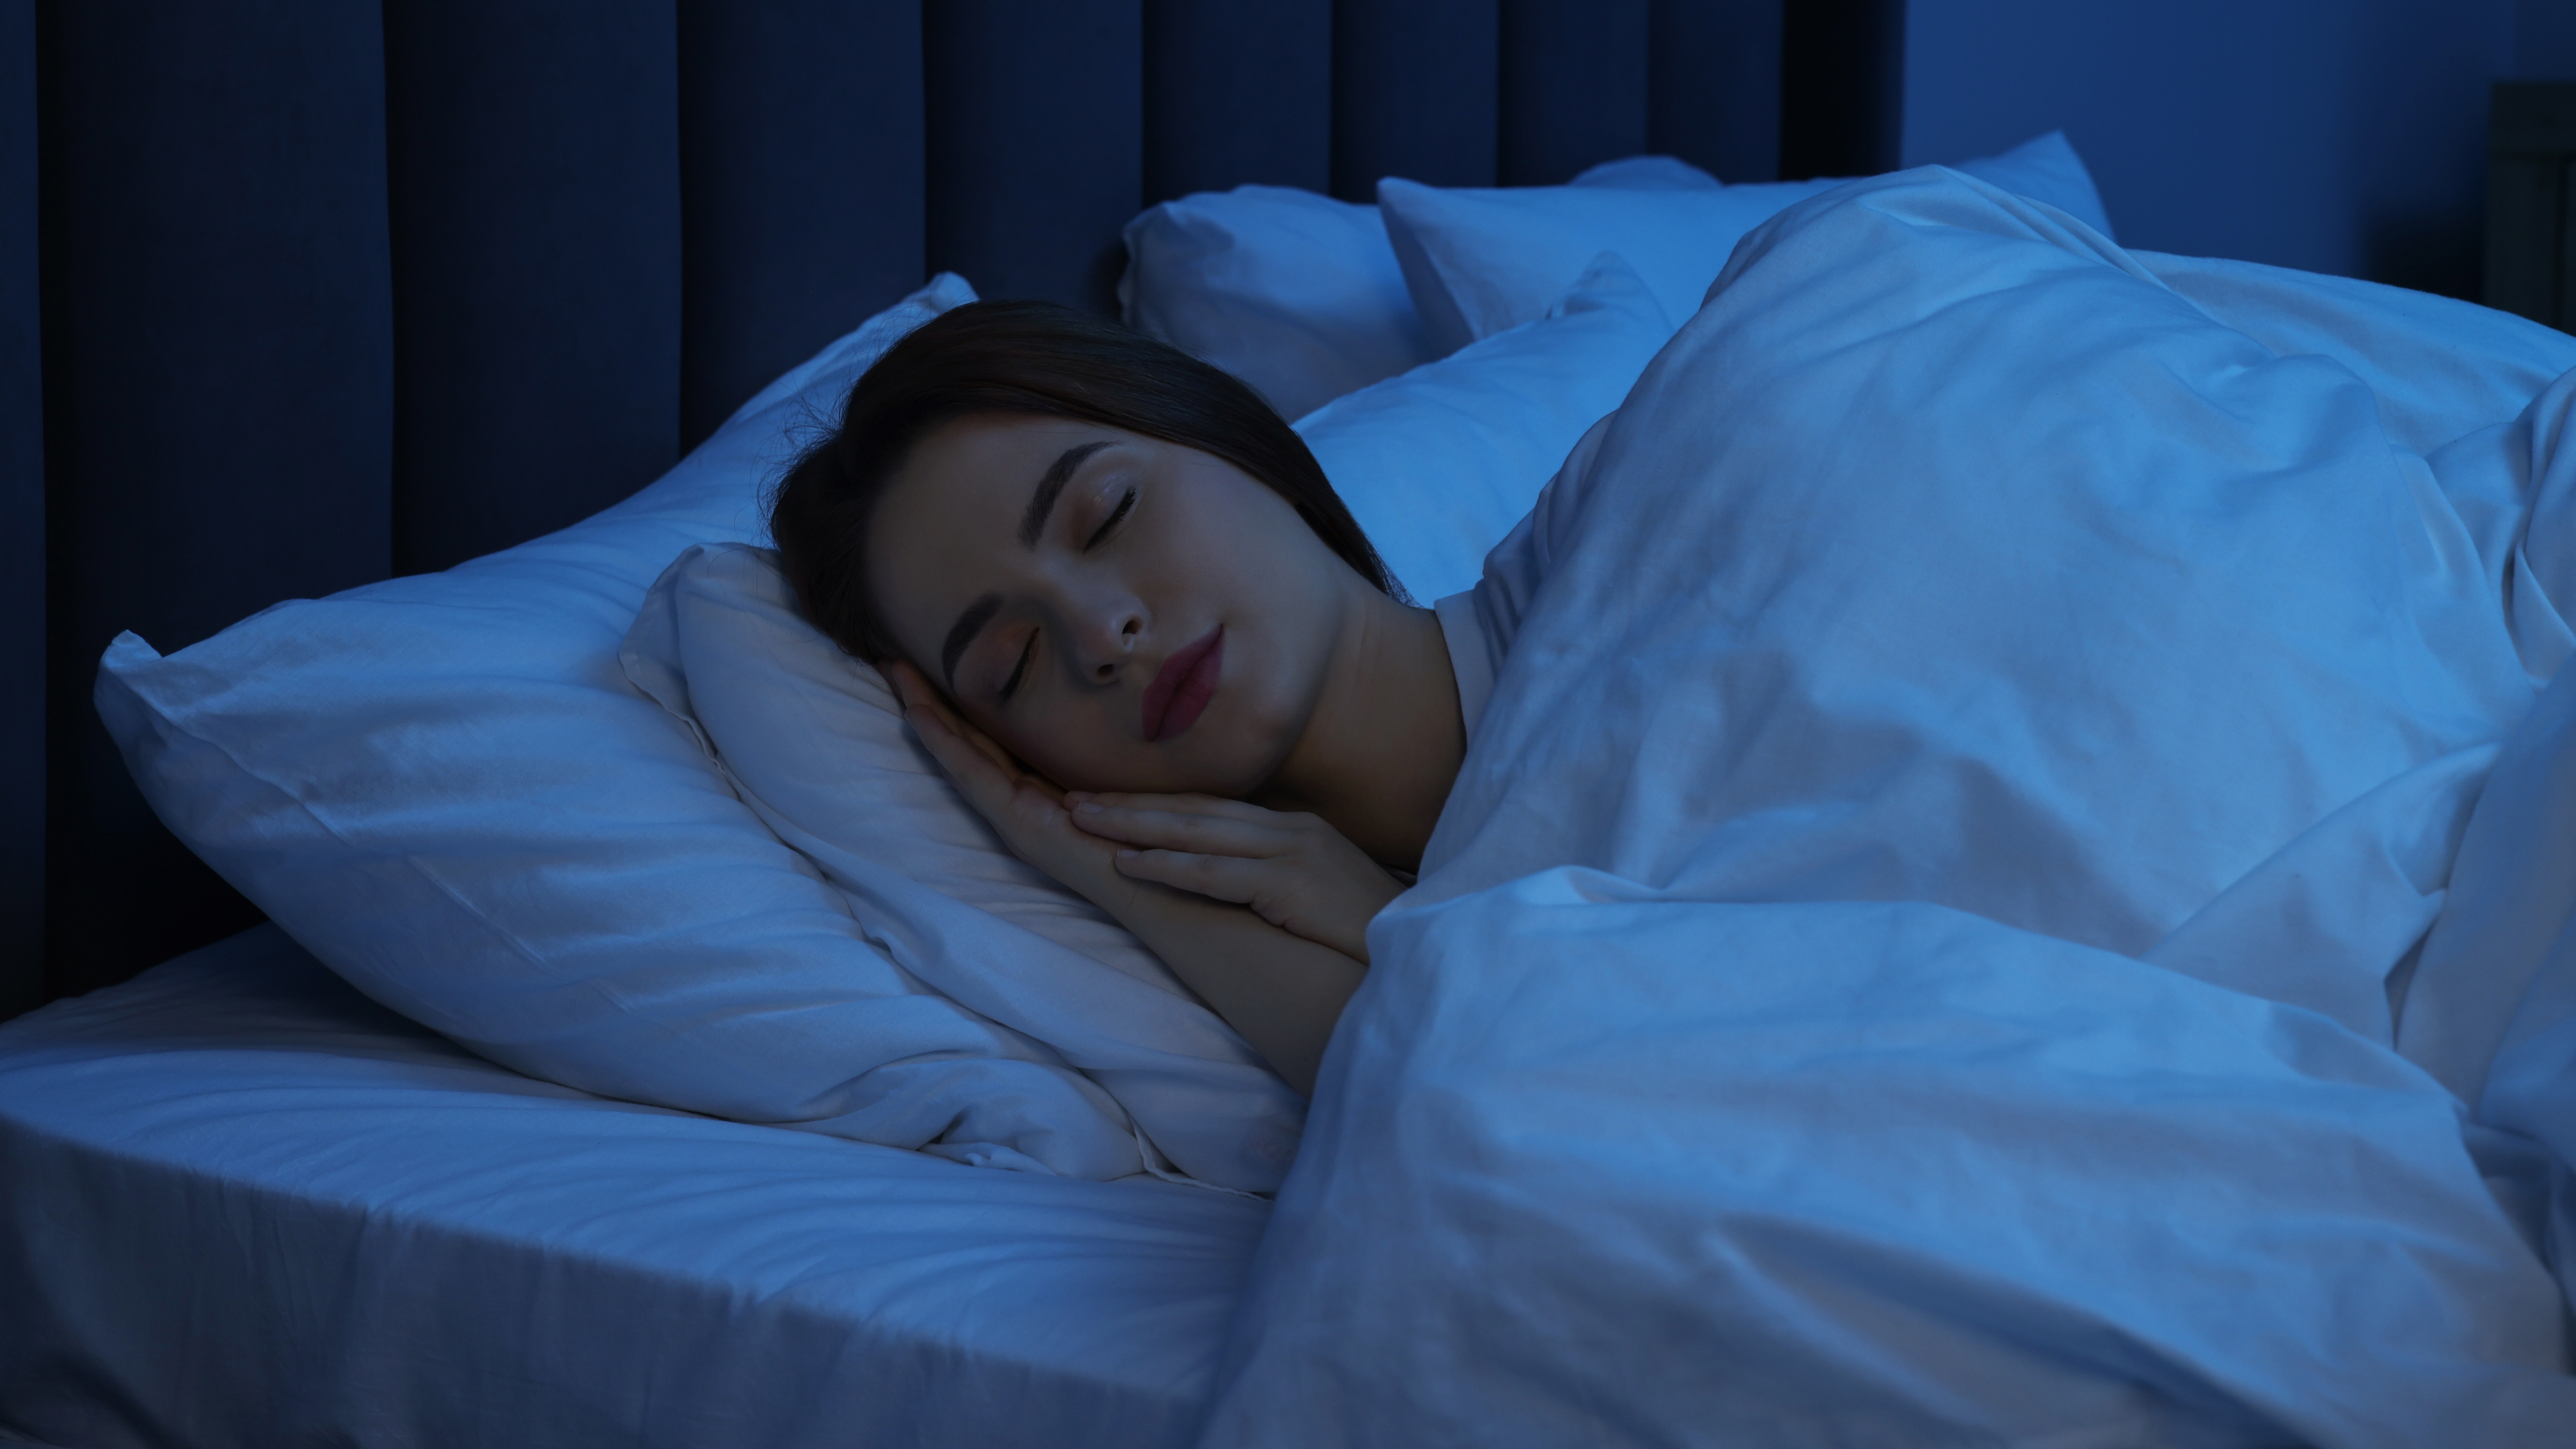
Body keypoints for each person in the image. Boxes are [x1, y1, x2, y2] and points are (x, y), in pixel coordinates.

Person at [769, 301, 1485, 1094]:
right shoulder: (1338, 920)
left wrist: (1398, 928)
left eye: (1109, 514)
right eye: (1015, 662)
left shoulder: (1629, 551)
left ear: (1220, 428)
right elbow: (1462, 1123)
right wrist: (1122, 879)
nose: (1104, 635)